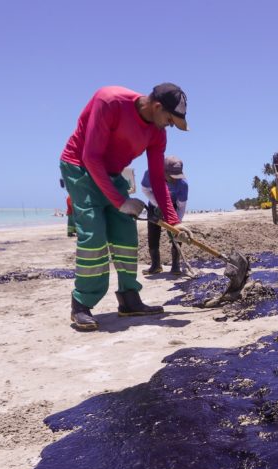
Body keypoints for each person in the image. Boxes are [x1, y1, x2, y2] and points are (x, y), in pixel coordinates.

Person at [59, 83, 192, 331]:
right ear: (157, 106)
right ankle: (81, 305)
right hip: (80, 167)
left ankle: (129, 299)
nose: (170, 125)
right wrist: (121, 202)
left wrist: (175, 222)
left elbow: (157, 180)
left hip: (111, 173)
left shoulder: (157, 134)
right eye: (169, 119)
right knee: (94, 237)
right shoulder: (110, 101)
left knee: (126, 235)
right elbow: (90, 157)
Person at [141, 156, 189, 275]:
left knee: (177, 234)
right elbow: (145, 190)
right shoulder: (150, 174)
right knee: (153, 235)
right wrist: (158, 205)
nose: (175, 179)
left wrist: (177, 224)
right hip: (154, 203)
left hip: (173, 207)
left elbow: (181, 206)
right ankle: (156, 265)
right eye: (172, 175)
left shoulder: (183, 184)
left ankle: (176, 265)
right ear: (164, 171)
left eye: (177, 175)